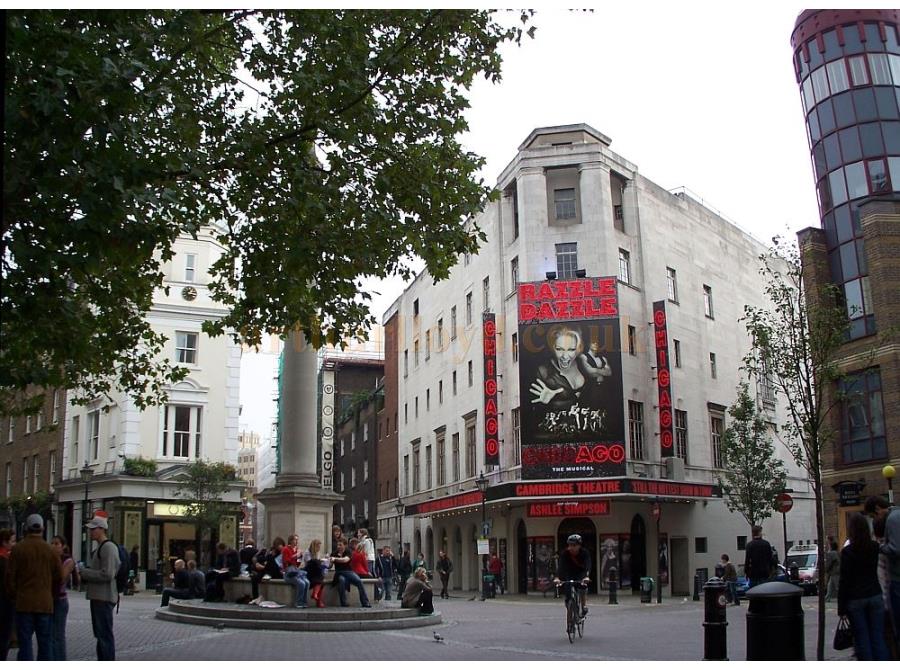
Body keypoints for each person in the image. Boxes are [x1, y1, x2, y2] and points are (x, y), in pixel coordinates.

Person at [7, 514, 61, 661]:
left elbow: (10, 577)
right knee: (45, 644)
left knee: (25, 644)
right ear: (42, 528)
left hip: (24, 603)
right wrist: (51, 594)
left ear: (26, 528)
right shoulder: (50, 551)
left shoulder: (18, 549)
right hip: (44, 603)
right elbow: (59, 577)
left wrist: (15, 595)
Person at [838, 512, 890, 661]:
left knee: (862, 639)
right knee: (877, 637)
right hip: (874, 594)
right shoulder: (874, 547)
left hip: (855, 598)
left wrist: (841, 608)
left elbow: (844, 581)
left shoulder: (847, 552)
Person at [78, 514, 120, 660]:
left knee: (104, 634)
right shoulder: (102, 547)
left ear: (101, 529)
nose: (91, 532)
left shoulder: (108, 547)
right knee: (100, 634)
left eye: (93, 529)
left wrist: (85, 573)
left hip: (104, 597)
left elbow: (107, 574)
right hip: (98, 597)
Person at [876, 496, 899, 642]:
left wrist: (882, 547)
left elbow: (896, 548)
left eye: (874, 514)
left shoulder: (892, 518)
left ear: (878, 509)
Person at [49, 536, 77, 660]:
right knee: (49, 634)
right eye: (52, 543)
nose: (54, 546)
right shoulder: (48, 558)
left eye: (57, 543)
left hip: (60, 600)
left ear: (63, 546)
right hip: (48, 600)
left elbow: (61, 577)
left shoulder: (68, 560)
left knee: (58, 635)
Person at [554, 534, 592, 617]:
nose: (571, 547)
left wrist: (586, 576)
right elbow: (561, 566)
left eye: (574, 545)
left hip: (580, 572)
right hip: (569, 573)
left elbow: (588, 565)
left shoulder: (584, 553)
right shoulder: (565, 553)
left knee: (582, 585)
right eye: (570, 545)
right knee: (567, 587)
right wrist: (557, 577)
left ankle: (583, 605)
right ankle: (569, 608)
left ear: (579, 545)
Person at [329, 539, 371, 608]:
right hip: (339, 573)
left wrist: (335, 559)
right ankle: (343, 602)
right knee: (341, 581)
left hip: (348, 571)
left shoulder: (348, 551)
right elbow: (329, 566)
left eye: (340, 545)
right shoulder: (334, 553)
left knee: (359, 581)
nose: (338, 547)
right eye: (338, 545)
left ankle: (365, 602)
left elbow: (345, 560)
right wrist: (329, 560)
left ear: (345, 545)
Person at [0, 528, 16, 660]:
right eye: (12, 541)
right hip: (5, 602)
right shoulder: (5, 560)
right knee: (4, 635)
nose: (14, 544)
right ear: (4, 542)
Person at [282, 534, 310, 608]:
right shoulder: (286, 549)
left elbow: (297, 564)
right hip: (288, 573)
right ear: (291, 541)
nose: (297, 541)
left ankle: (304, 601)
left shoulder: (296, 549)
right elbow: (286, 561)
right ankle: (298, 602)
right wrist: (295, 556)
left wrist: (300, 557)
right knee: (301, 584)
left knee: (307, 582)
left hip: (295, 571)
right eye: (295, 539)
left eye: (297, 539)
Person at [304, 540, 326, 608]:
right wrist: (319, 561)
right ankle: (318, 601)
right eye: (318, 546)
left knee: (321, 581)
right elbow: (309, 563)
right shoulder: (307, 552)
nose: (319, 548)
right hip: (309, 572)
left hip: (315, 573)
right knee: (320, 576)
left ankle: (316, 595)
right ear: (314, 546)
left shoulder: (317, 553)